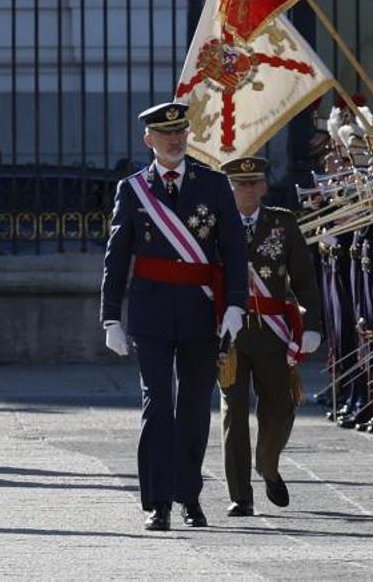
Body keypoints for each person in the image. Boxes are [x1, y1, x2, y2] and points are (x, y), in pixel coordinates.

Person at [100, 101, 248, 531]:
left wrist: (236, 304)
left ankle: (189, 495)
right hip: (151, 313)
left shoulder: (215, 185)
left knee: (194, 408)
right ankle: (157, 502)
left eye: (180, 132)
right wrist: (111, 317)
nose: (174, 139)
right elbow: (117, 256)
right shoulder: (133, 190)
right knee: (157, 407)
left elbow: (234, 248)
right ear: (149, 140)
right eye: (165, 135)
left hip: (202, 310)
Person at [219, 156, 322, 517]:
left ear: (263, 186)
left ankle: (267, 465)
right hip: (229, 332)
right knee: (233, 410)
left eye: (253, 183)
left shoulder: (282, 224)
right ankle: (240, 495)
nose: (246, 190)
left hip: (273, 331)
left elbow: (304, 278)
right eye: (239, 184)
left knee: (280, 405)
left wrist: (312, 327)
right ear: (228, 188)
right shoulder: (216, 224)